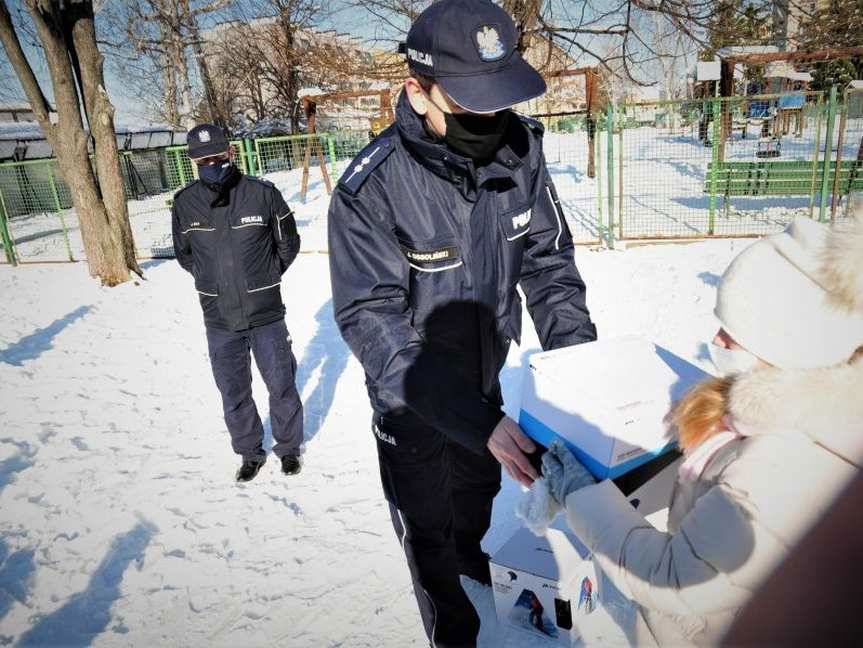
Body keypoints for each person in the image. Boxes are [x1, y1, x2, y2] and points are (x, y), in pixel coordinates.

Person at [327, 0, 596, 645]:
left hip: (485, 376)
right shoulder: (371, 189)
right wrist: (478, 422)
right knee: (426, 521)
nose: (491, 119)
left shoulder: (520, 151)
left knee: (475, 491)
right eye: (470, 103)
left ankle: (472, 554)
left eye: (499, 100)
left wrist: (585, 373)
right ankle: (449, 619)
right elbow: (373, 321)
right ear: (417, 92)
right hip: (411, 396)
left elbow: (548, 262)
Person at [524, 213, 863, 646]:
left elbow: (674, 578)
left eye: (736, 332)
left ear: (792, 341)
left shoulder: (785, 460)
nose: (717, 339)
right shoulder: (792, 409)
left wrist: (579, 493)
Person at [172, 123, 304, 482]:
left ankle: (289, 448)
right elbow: (185, 254)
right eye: (203, 159)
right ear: (193, 161)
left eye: (217, 156)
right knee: (233, 390)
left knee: (281, 383)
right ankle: (249, 452)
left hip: (266, 315)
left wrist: (265, 277)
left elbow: (288, 243)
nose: (211, 164)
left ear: (231, 153)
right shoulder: (185, 203)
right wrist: (211, 282)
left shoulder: (263, 194)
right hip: (219, 319)